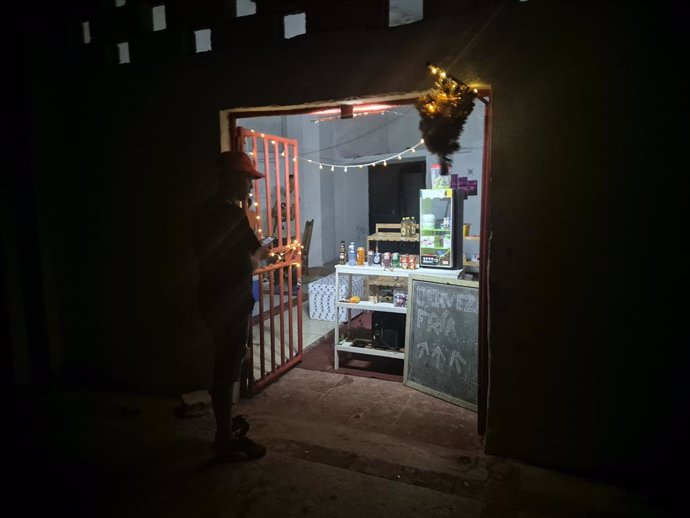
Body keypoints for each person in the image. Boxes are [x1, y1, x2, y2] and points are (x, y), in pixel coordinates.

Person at [192, 150, 269, 462]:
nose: (249, 188)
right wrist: (264, 253)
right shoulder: (232, 215)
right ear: (234, 178)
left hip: (209, 297)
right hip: (230, 302)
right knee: (227, 369)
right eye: (247, 180)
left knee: (224, 365)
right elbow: (249, 261)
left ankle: (224, 426)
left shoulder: (201, 212)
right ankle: (224, 438)